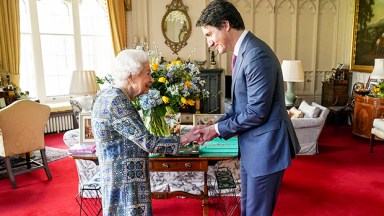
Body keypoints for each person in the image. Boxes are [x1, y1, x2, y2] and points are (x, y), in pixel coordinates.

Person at [195, 1, 301, 215]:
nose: (209, 43)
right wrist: (211, 127)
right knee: (249, 210)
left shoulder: (256, 55)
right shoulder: (243, 52)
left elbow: (256, 112)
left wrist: (215, 131)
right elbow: (238, 107)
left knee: (256, 212)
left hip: (266, 148)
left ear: (225, 25)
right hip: (253, 147)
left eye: (209, 34)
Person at [91, 49, 200, 216]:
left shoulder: (108, 95)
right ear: (131, 76)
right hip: (126, 183)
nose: (151, 79)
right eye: (147, 74)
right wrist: (185, 138)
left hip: (119, 178)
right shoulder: (117, 102)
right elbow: (149, 142)